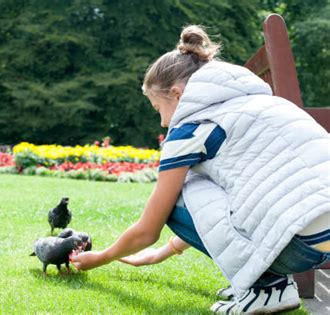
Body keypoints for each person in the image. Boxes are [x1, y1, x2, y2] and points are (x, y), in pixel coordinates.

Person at [70, 25, 330, 314]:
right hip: (322, 240)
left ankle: (266, 287)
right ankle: (266, 284)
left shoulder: (190, 130)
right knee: (205, 182)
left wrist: (101, 258)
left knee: (182, 186)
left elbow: (149, 228)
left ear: (177, 94)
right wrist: (163, 254)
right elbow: (221, 208)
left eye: (158, 109)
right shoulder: (266, 104)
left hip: (300, 245)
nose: (163, 123)